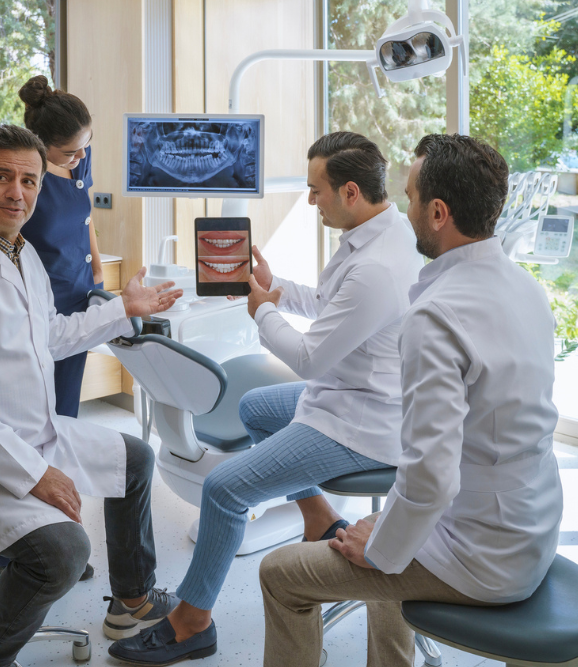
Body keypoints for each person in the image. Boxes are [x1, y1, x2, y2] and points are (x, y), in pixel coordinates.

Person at [109, 131, 424, 665]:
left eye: (316, 190)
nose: (309, 200)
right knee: (257, 408)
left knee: (226, 489)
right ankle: (320, 517)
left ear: (349, 192)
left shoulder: (377, 267)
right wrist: (273, 287)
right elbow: (331, 304)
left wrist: (260, 310)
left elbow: (308, 359)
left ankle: (192, 623)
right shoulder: (378, 235)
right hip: (352, 392)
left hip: (362, 424)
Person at [259, 134, 563, 667]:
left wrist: (380, 547)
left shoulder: (437, 316)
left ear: (439, 212)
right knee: (392, 548)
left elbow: (430, 477)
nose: (404, 208)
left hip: (483, 555)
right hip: (529, 527)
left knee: (281, 573)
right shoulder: (524, 287)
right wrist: (393, 532)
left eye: (411, 197)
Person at [0, 125, 184, 667]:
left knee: (136, 457)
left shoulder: (22, 253)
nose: (17, 192)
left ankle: (131, 601)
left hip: (42, 432)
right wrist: (35, 474)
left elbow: (52, 337)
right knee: (63, 554)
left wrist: (124, 309)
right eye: (2, 177)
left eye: (29, 181)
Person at [16, 74, 100, 419]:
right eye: (69, 151)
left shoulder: (79, 159)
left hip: (81, 290)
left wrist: (97, 269)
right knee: (39, 405)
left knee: (67, 402)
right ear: (40, 145)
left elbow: (86, 213)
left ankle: (64, 464)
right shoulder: (25, 181)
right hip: (41, 301)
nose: (81, 154)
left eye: (86, 143)